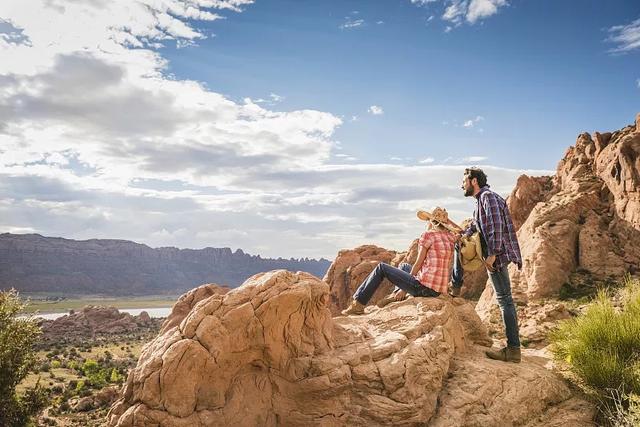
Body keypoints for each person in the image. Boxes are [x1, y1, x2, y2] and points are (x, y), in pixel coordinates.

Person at [341, 207, 461, 316]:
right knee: (404, 265)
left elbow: (418, 263)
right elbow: (461, 231)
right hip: (438, 290)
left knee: (381, 268)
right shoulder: (450, 238)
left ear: (432, 221)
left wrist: (405, 289)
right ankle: (396, 295)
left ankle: (358, 304)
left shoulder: (428, 236)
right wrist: (447, 222)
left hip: (424, 289)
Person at [460, 167, 523, 363]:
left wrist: (493, 254)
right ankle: (513, 348)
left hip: (497, 257)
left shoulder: (488, 197)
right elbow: (476, 225)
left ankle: (513, 350)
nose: (461, 185)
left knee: (505, 300)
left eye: (464, 181)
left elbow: (496, 227)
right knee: (505, 300)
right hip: (494, 256)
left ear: (473, 181)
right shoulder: (481, 202)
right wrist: (463, 235)